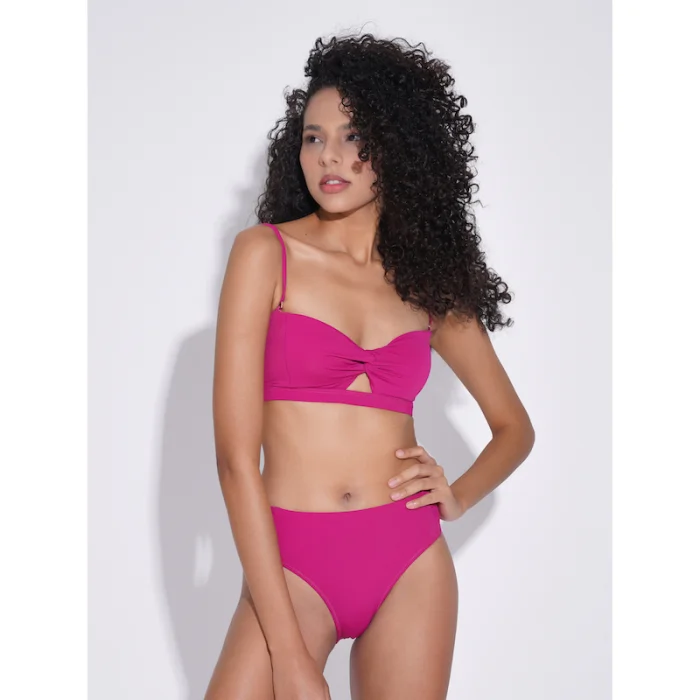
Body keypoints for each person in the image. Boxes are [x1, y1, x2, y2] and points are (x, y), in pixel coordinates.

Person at [205, 32, 535, 700]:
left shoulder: (426, 285)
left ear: (398, 148)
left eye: (353, 137)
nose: (329, 156)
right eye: (313, 137)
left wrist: (457, 494)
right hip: (293, 563)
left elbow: (514, 428)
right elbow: (236, 462)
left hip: (408, 561)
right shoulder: (264, 254)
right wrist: (291, 660)